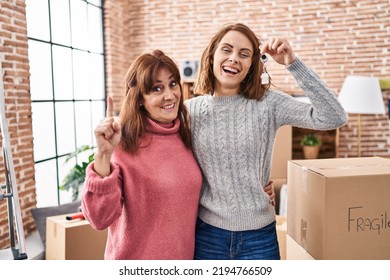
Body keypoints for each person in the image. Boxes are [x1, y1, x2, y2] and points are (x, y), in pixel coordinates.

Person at [184, 23, 348, 260]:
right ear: (212, 56)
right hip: (208, 236)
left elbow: (334, 116)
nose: (234, 59)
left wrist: (293, 63)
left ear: (253, 64)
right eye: (226, 50)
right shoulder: (189, 111)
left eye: (244, 54)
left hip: (259, 238)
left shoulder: (268, 103)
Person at [81, 50, 203, 260]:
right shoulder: (123, 145)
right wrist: (103, 156)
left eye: (173, 84)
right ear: (139, 99)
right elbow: (99, 219)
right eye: (157, 88)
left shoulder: (186, 137)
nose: (169, 95)